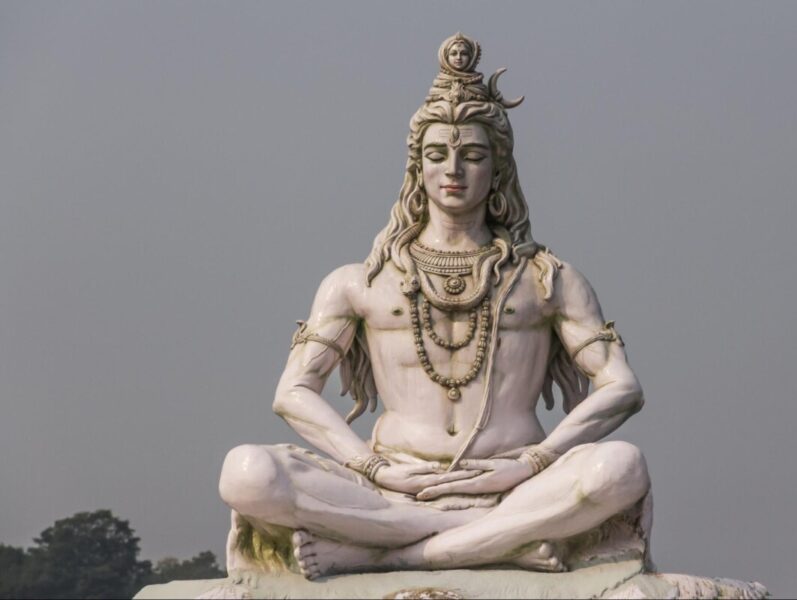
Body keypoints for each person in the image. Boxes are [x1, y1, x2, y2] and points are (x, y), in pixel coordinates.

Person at [218, 33, 651, 580]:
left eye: (472, 155)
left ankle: (390, 555)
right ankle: (489, 545)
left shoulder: (547, 279)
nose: (454, 169)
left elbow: (622, 387)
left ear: (498, 170)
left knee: (623, 466)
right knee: (246, 473)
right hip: (390, 489)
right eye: (437, 154)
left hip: (515, 487)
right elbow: (292, 392)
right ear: (416, 168)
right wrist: (369, 466)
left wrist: (531, 462)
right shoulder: (360, 281)